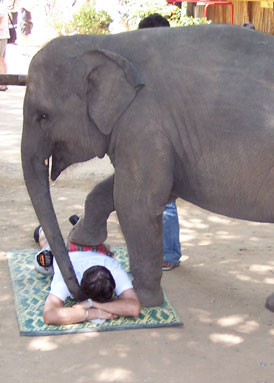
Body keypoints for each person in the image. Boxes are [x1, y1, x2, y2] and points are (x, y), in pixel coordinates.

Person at [138, 13, 182, 271]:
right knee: (154, 197)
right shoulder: (154, 62)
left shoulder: (171, 67)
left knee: (166, 199)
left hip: (167, 141)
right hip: (152, 138)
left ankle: (169, 253)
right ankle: (160, 250)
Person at [34, 225, 141, 325]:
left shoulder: (114, 269)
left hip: (95, 247)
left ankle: (78, 224)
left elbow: (134, 308)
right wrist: (92, 314)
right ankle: (42, 231)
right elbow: (49, 315)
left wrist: (94, 305)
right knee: (43, 260)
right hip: (67, 250)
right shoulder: (67, 275)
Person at [0, 0, 10, 91]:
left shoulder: (1, 6)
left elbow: (1, 18)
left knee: (0, 59)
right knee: (2, 59)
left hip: (1, 36)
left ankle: (3, 83)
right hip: (3, 36)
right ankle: (4, 83)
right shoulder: (3, 5)